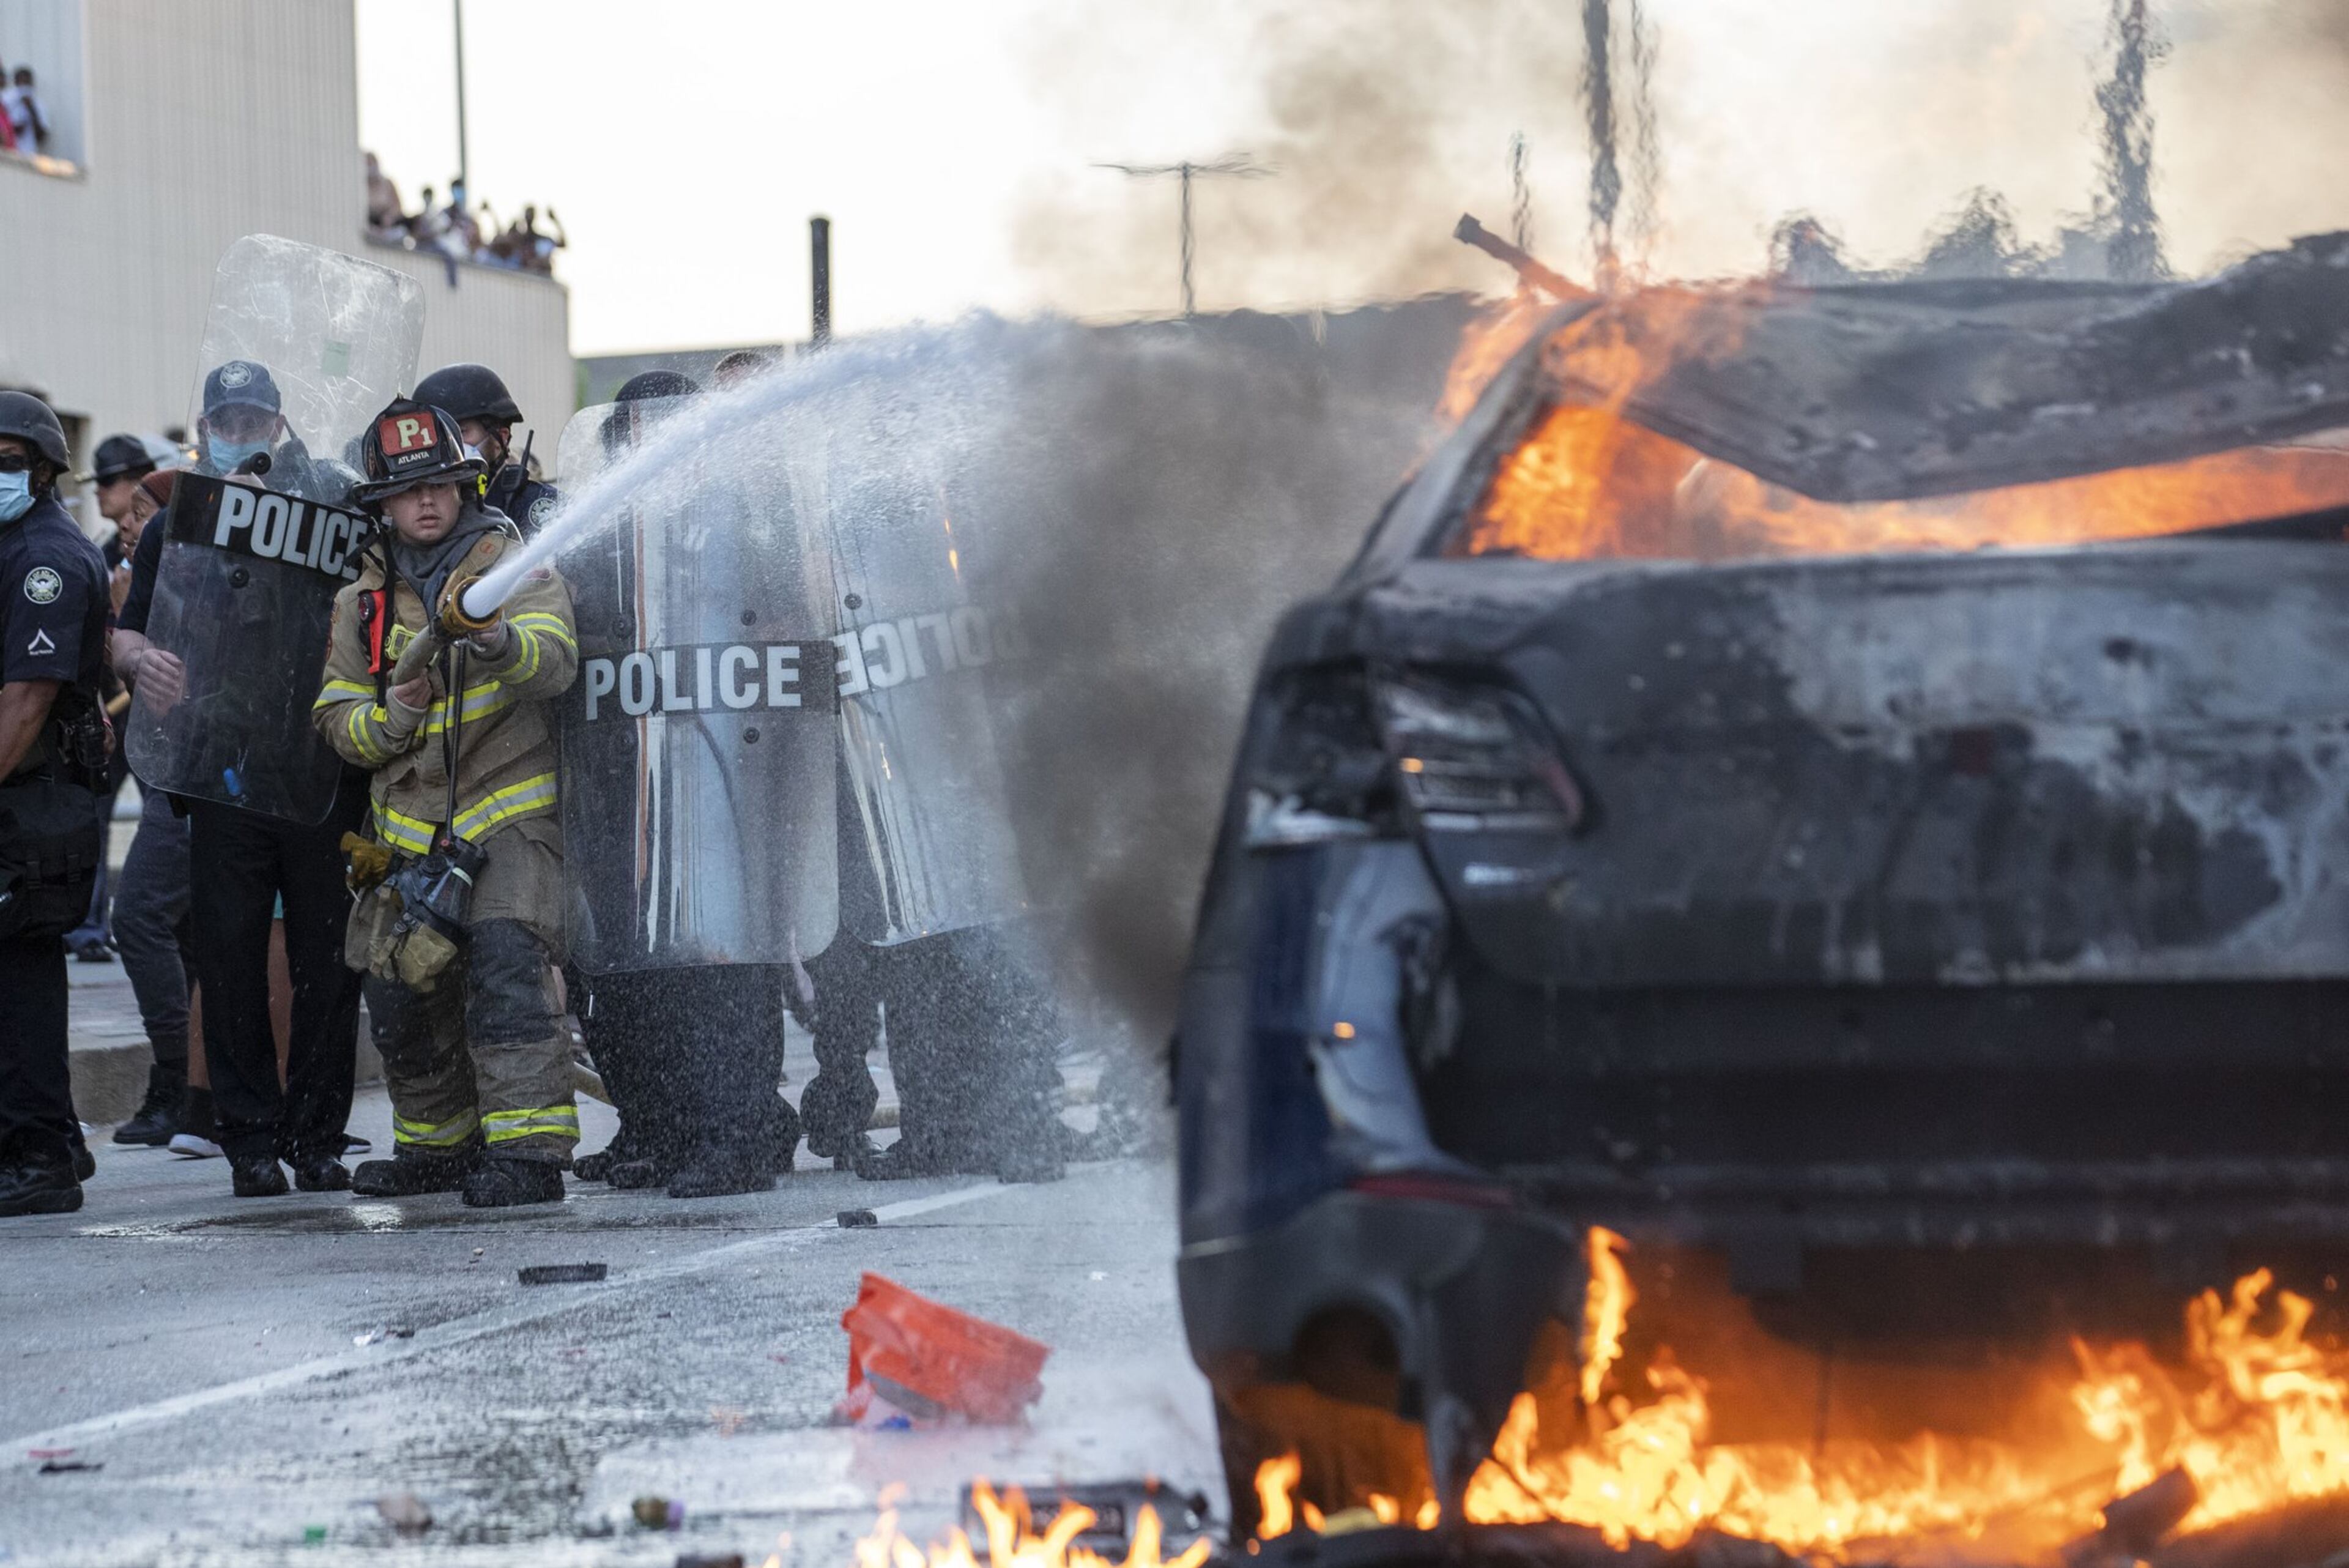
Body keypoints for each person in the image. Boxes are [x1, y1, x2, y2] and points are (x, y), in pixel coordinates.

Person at [317, 397, 582, 1207]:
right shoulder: (359, 603)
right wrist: (391, 716)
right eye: (408, 490)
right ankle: (439, 1148)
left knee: (507, 973)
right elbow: (338, 721)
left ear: (466, 485)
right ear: (383, 504)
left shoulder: (514, 567)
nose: (427, 501)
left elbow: (558, 661)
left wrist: (502, 641)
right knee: (404, 995)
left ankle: (530, 1156)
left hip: (507, 817)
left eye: (441, 483)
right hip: (404, 834)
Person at [158, 362, 372, 1196]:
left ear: (280, 423)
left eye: (254, 418)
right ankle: (247, 1138)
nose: (240, 432)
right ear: (207, 425)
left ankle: (317, 1135)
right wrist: (136, 655)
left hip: (321, 767)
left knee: (328, 960)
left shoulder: (330, 504)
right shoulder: (183, 519)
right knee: (232, 958)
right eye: (227, 419)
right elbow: (138, 628)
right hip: (225, 772)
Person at [0, 393, 111, 1216]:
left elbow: (28, 697)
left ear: (40, 467)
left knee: (19, 975)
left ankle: (38, 1155)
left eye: (8, 457)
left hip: (29, 795)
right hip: (21, 794)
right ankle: (53, 1136)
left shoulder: (45, 554)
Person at [410, 363, 557, 536]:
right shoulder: (413, 511)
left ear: (500, 438)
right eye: (437, 434)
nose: (449, 444)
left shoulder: (537, 507)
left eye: (460, 432)